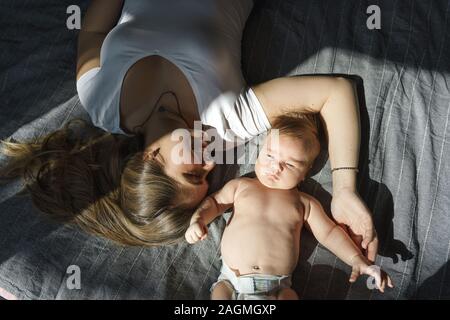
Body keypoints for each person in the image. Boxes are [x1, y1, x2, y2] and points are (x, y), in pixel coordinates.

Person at [0, 0, 377, 255]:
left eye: (192, 173)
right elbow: (335, 92)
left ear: (150, 156)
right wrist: (344, 190)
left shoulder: (98, 98)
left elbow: (94, 32)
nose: (212, 165)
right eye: (206, 179)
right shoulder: (227, 122)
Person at [184, 114, 393, 299]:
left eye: (291, 164)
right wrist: (199, 220)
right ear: (259, 151)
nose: (275, 167)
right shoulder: (241, 186)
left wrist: (356, 259)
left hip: (278, 287)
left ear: (305, 173)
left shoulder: (305, 203)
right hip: (230, 281)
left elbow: (329, 233)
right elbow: (215, 202)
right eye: (269, 155)